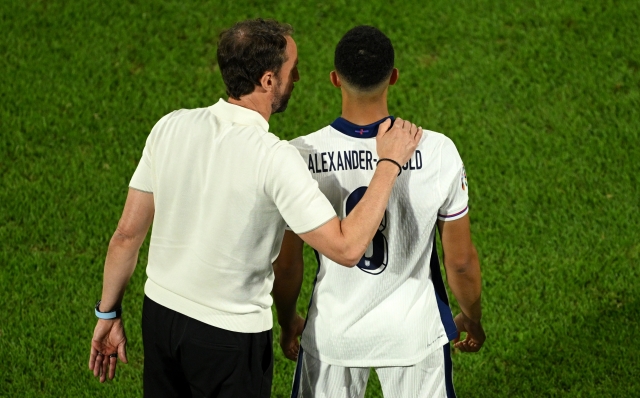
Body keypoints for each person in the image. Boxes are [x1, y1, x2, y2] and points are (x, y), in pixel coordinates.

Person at [87, 18, 423, 397]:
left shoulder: (171, 126)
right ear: (267, 81)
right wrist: (389, 164)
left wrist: (108, 312)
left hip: (161, 318)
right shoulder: (275, 158)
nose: (296, 78)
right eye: (291, 70)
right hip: (229, 337)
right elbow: (347, 248)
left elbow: (126, 235)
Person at [275, 26, 485, 398]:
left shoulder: (300, 155)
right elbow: (462, 262)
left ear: (335, 79)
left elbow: (288, 265)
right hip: (415, 337)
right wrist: (472, 316)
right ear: (394, 77)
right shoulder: (437, 151)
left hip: (331, 337)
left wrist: (288, 320)